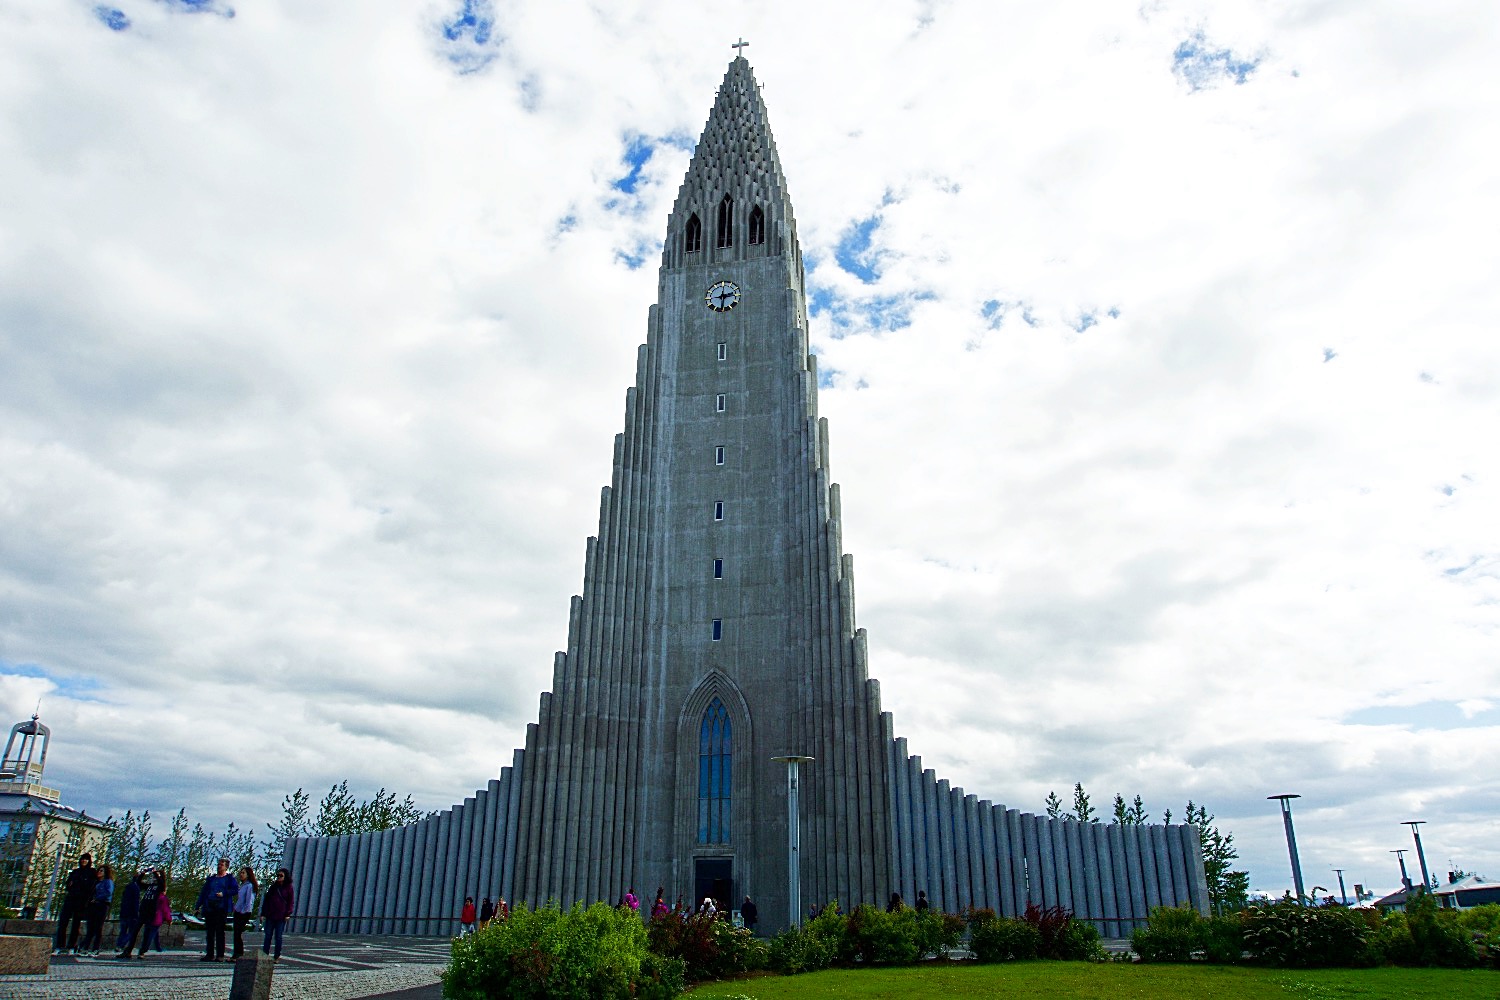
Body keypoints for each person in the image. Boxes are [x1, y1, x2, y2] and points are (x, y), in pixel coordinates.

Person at [52, 851, 95, 955]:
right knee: (63, 922)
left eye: (86, 859)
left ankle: (71, 945)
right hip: (70, 899)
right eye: (82, 859)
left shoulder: (91, 872)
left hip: (81, 901)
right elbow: (69, 884)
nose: (84, 861)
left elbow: (90, 886)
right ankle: (59, 945)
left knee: (76, 924)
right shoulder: (75, 872)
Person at [197, 857, 239, 962]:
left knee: (220, 931)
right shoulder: (211, 879)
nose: (219, 866)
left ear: (226, 867)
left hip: (221, 907)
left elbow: (235, 890)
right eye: (219, 864)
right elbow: (204, 892)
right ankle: (209, 954)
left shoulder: (229, 879)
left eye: (221, 865)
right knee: (210, 931)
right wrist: (198, 906)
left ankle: (220, 954)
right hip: (209, 906)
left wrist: (224, 893)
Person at [261, 868, 295, 962]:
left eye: (281, 876)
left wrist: (288, 913)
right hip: (271, 915)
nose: (279, 877)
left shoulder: (289, 888)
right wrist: (263, 913)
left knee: (278, 936)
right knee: (268, 935)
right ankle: (265, 954)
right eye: (278, 875)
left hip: (281, 916)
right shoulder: (273, 887)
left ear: (285, 877)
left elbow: (290, 901)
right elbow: (267, 900)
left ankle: (276, 956)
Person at [81, 863, 115, 954]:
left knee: (98, 927)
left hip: (102, 905)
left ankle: (95, 948)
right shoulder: (97, 882)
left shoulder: (108, 881)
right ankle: (85, 947)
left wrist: (97, 898)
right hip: (94, 905)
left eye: (101, 871)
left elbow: (108, 893)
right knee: (91, 927)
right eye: (99, 870)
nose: (99, 872)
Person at [232, 866, 258, 959]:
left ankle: (238, 954)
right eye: (241, 872)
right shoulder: (242, 885)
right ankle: (236, 953)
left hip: (244, 912)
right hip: (238, 911)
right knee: (236, 933)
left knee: (238, 933)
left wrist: (244, 911)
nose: (241, 874)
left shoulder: (249, 886)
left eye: (243, 873)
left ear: (248, 875)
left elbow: (249, 900)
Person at [115, 871, 144, 953]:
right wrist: (136, 914)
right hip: (131, 914)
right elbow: (135, 902)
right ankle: (121, 945)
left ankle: (118, 945)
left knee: (123, 931)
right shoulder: (136, 888)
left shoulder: (128, 887)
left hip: (123, 912)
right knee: (132, 932)